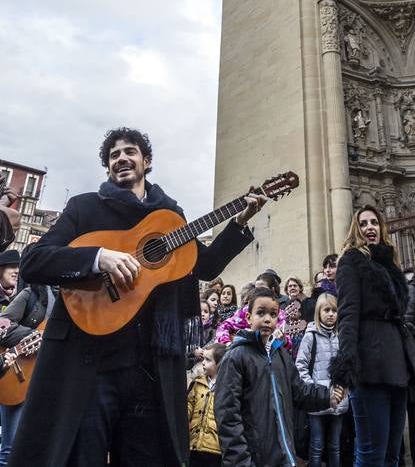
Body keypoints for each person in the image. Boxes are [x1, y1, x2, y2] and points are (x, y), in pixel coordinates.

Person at [8, 126, 264, 467]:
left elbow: (204, 265)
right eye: (114, 155)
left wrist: (240, 222)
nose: (121, 159)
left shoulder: (170, 216)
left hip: (149, 370)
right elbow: (34, 261)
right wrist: (97, 257)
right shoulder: (84, 208)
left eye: (129, 151)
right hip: (89, 366)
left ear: (147, 161)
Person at [330, 206, 415, 467]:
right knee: (372, 454)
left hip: (395, 361)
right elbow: (347, 314)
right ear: (356, 230)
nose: (370, 227)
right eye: (363, 223)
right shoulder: (351, 261)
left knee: (393, 455)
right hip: (369, 363)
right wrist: (345, 365)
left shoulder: (389, 263)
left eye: (374, 222)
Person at [214, 287, 341, 465]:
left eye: (273, 314)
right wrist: (241, 461)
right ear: (248, 317)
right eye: (261, 313)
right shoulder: (236, 357)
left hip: (284, 455)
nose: (267, 319)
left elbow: (299, 391)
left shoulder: (280, 354)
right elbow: (227, 416)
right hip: (254, 460)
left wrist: (328, 395)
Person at [0, 280, 55, 465]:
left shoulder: (74, 299)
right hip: (18, 378)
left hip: (48, 381)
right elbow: (2, 324)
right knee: (10, 450)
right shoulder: (30, 295)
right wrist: (33, 336)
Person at [296, 292, 348, 467]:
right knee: (316, 445)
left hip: (339, 399)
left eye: (334, 310)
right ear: (318, 312)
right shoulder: (310, 335)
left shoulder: (341, 336)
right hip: (317, 400)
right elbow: (301, 366)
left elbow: (348, 366)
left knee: (335, 446)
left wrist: (344, 388)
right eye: (327, 310)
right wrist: (313, 390)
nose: (331, 314)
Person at [188, 342, 227, 466]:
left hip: (215, 448)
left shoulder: (228, 387)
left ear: (220, 363)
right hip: (194, 444)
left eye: (208, 360)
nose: (203, 362)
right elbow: (189, 405)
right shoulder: (198, 383)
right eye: (203, 358)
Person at [302, 253, 338, 322]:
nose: (327, 270)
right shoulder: (319, 291)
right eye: (325, 267)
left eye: (332, 267)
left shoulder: (347, 287)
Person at [283, 276, 307, 359]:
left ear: (300, 288)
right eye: (290, 286)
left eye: (295, 285)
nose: (292, 288)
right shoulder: (282, 305)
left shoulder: (307, 302)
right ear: (287, 289)